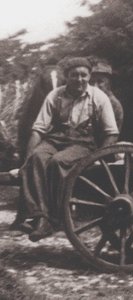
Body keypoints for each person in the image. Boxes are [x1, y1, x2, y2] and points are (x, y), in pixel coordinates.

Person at [12, 57, 119, 242]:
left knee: (58, 162)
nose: (79, 79)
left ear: (89, 76)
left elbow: (112, 133)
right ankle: (39, 216)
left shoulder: (99, 98)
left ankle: (55, 217)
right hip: (56, 139)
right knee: (37, 157)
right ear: (66, 77)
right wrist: (27, 158)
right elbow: (38, 129)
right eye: (74, 75)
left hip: (83, 144)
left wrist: (98, 157)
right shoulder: (55, 96)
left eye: (83, 75)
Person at [90, 61, 124, 132]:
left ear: (109, 83)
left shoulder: (113, 104)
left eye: (100, 82)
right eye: (92, 82)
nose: (95, 86)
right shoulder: (90, 98)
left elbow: (112, 133)